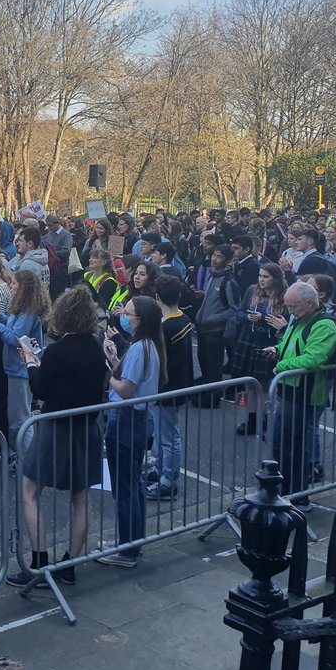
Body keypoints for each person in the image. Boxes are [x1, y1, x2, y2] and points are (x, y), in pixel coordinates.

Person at [5, 287, 109, 587]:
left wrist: (31, 363)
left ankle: (38, 561)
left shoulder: (57, 351)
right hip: (87, 428)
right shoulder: (95, 345)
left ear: (62, 314)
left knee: (29, 491)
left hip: (57, 426)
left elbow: (41, 390)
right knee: (81, 496)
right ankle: (70, 564)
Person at [99, 296, 164, 567]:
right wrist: (114, 359)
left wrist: (110, 377)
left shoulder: (141, 348)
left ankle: (126, 550)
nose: (123, 317)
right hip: (138, 418)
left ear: (140, 319)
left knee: (125, 487)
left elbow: (126, 388)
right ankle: (131, 542)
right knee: (133, 484)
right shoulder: (147, 346)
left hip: (127, 419)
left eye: (128, 313)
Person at [262, 282, 336, 499]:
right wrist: (275, 351)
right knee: (284, 444)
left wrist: (282, 366)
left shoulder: (323, 325)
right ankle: (287, 491)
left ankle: (294, 494)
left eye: (293, 307)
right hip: (290, 390)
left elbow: (313, 358)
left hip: (305, 392)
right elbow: (290, 345)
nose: (290, 312)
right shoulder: (301, 319)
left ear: (310, 303)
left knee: (290, 446)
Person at [146, 277, 195, 501]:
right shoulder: (183, 319)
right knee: (161, 433)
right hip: (179, 384)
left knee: (168, 436)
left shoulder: (165, 327)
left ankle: (168, 480)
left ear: (157, 298)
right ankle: (158, 470)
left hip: (166, 388)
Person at [0, 270, 49, 454]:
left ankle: (27, 459)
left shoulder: (28, 313)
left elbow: (15, 337)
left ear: (23, 288)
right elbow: (14, 326)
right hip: (15, 367)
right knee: (17, 415)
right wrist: (0, 318)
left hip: (20, 369)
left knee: (20, 418)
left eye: (14, 283)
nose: (11, 286)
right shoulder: (23, 310)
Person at [228, 263, 287, 437]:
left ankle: (266, 418)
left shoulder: (283, 297)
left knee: (265, 385)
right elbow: (238, 313)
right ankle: (252, 420)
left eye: (266, 277)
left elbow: (286, 322)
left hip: (267, 342)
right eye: (260, 276)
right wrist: (247, 318)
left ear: (275, 279)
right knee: (249, 384)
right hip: (248, 340)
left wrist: (263, 320)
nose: (261, 280)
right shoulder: (251, 291)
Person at [194, 243, 240, 397]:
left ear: (227, 261)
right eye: (214, 255)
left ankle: (213, 395)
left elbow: (234, 309)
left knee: (214, 364)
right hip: (203, 327)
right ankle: (206, 388)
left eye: (219, 256)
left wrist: (213, 318)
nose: (214, 259)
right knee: (203, 359)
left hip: (215, 330)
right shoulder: (213, 276)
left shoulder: (229, 281)